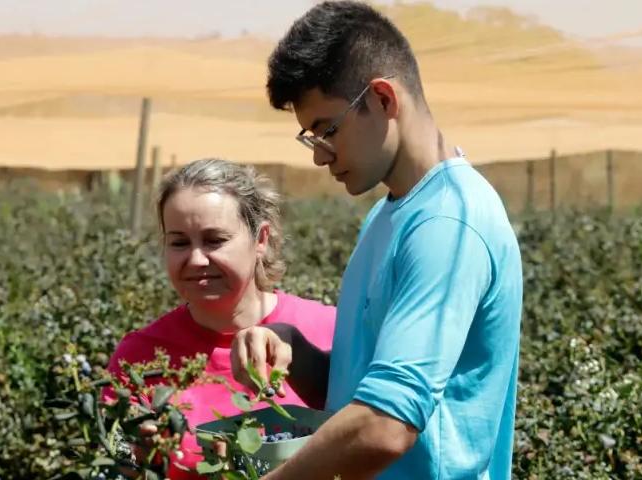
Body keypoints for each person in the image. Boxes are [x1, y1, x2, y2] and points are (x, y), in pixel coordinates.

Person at [230, 2, 524, 480]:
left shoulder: (447, 224)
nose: (320, 157)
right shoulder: (391, 213)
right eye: (310, 138)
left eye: (328, 129)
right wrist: (295, 351)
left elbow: (387, 425)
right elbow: (360, 393)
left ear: (384, 99)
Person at [102, 157, 337, 480]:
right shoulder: (139, 359)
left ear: (261, 240)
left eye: (215, 240)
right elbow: (116, 464)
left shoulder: (330, 331)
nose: (196, 259)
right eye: (179, 242)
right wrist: (138, 458)